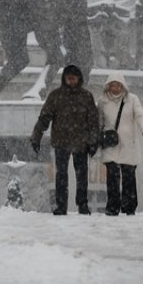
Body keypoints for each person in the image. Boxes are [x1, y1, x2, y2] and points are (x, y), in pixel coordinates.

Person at [30, 64, 100, 215]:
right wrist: (36, 136)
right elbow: (44, 118)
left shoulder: (86, 96)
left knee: (82, 175)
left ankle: (82, 204)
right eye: (69, 78)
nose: (71, 81)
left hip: (81, 143)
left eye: (74, 78)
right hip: (61, 142)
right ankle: (61, 206)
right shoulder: (56, 96)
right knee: (61, 175)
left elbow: (94, 122)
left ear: (79, 79)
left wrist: (93, 142)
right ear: (64, 79)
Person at [97, 73, 143, 216]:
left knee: (129, 177)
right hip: (111, 143)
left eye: (118, 85)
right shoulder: (102, 101)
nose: (115, 88)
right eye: (113, 85)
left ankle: (129, 207)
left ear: (123, 86)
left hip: (129, 144)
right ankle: (113, 207)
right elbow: (99, 122)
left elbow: (140, 115)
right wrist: (96, 138)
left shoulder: (132, 100)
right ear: (108, 86)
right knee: (112, 176)